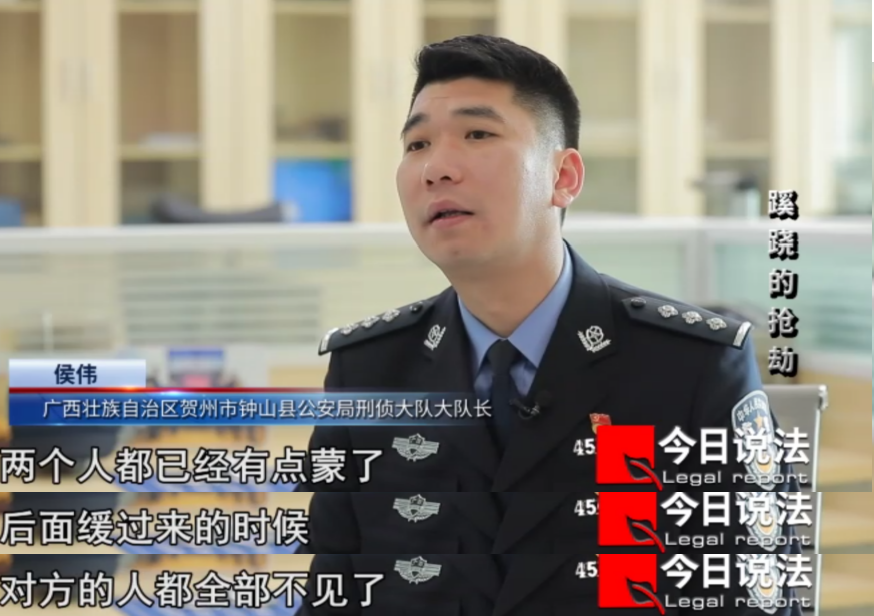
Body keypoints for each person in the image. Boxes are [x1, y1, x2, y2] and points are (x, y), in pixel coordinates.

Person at [294, 35, 803, 615]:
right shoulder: (369, 370)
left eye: (477, 134)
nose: (436, 168)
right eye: (417, 144)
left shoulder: (690, 365)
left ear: (564, 176)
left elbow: (757, 599)